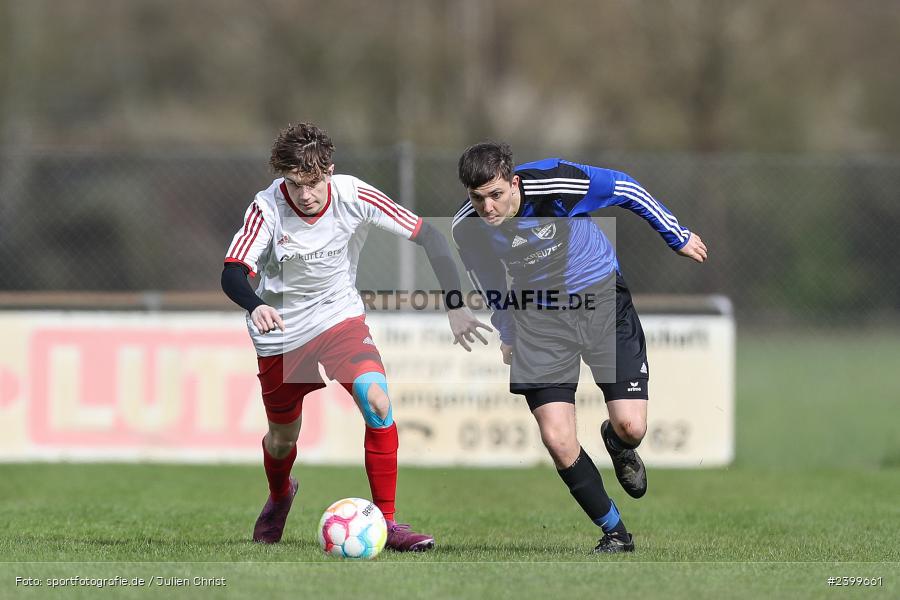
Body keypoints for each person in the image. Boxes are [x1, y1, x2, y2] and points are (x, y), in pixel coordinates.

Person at [220, 122, 483, 550]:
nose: (305, 194)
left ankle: (389, 523)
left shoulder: (353, 194)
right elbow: (233, 272)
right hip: (281, 332)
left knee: (377, 401)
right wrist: (256, 305)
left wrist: (455, 304)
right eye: (294, 183)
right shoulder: (266, 207)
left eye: (313, 182)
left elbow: (429, 236)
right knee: (283, 438)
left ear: (330, 170)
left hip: (338, 318)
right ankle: (280, 494)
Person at [449, 142, 707, 553]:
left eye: (496, 195)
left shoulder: (556, 183)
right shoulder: (467, 226)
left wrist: (675, 236)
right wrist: (508, 331)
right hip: (538, 318)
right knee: (556, 437)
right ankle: (616, 534)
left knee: (631, 426)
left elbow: (626, 188)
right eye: (477, 198)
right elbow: (488, 281)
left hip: (600, 298)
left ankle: (619, 444)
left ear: (513, 182)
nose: (488, 208)